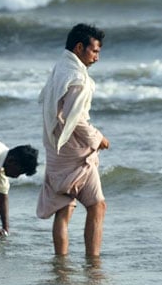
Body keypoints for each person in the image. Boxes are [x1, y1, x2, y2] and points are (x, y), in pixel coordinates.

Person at [36, 23, 110, 257]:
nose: (97, 58)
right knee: (97, 206)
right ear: (80, 47)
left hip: (55, 146)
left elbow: (47, 101)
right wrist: (98, 138)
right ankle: (93, 262)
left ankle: (61, 263)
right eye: (95, 51)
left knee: (64, 208)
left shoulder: (61, 67)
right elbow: (74, 118)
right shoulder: (77, 76)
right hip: (74, 151)